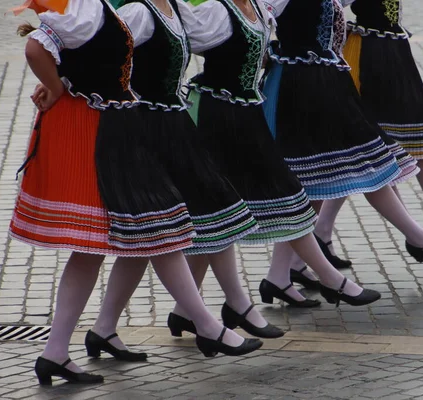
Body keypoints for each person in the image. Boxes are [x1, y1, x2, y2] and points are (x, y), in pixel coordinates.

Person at [10, 0, 260, 386]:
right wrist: (58, 88)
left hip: (112, 128)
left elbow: (75, 55)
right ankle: (207, 325)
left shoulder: (103, 10)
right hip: (96, 132)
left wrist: (63, 81)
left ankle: (56, 351)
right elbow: (36, 47)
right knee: (156, 228)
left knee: (104, 244)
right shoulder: (90, 8)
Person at [159, 0, 384, 319]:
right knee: (244, 205)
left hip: (245, 112)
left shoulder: (253, 5)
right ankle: (329, 280)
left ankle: (186, 311)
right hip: (218, 115)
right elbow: (181, 39)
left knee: (233, 210)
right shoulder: (215, 11)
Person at [90, 0, 285, 358]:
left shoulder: (178, 9)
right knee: (158, 230)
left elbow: (215, 38)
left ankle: (104, 329)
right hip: (145, 132)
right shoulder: (139, 12)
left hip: (172, 127)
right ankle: (212, 321)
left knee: (193, 217)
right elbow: (99, 52)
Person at [260, 0, 423, 294]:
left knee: (324, 180)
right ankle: (418, 236)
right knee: (356, 167)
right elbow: (256, 21)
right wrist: (266, 52)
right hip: (300, 87)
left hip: (324, 82)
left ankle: (281, 273)